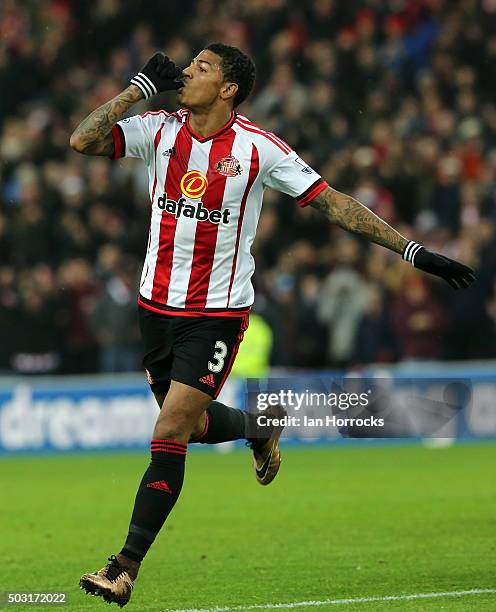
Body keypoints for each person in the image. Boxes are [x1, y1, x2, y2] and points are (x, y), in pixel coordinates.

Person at [70, 43, 475, 607]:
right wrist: (138, 88)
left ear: (230, 87)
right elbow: (82, 140)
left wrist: (413, 251)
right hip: (154, 308)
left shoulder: (259, 150)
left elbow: (332, 202)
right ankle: (260, 428)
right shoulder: (159, 128)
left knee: (167, 434)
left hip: (216, 314)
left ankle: (124, 566)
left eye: (203, 67)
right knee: (187, 425)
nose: (187, 71)